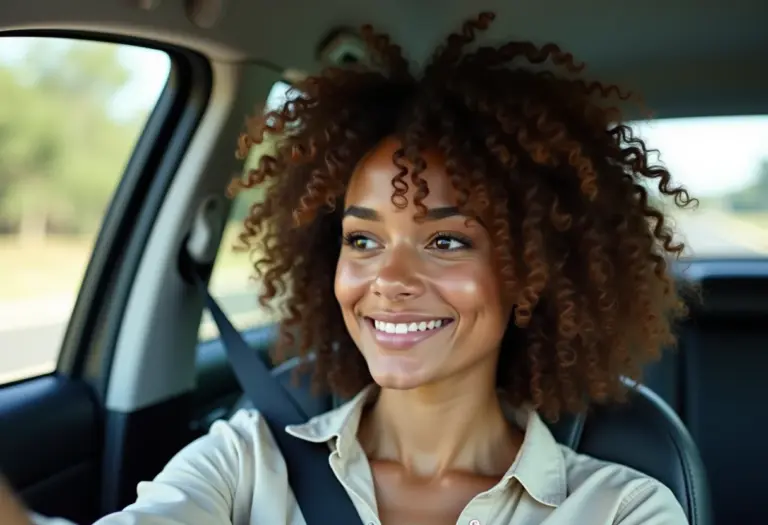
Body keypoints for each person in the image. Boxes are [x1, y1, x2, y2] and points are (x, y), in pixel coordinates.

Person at [5, 11, 694, 525]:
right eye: (363, 240)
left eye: (446, 241)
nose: (388, 279)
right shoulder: (247, 460)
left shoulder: (620, 506)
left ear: (530, 273)